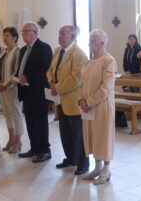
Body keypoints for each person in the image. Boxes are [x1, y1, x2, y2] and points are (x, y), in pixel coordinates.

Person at [46, 25, 89, 175]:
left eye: (63, 34)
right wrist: (51, 82)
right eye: (59, 33)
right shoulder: (58, 51)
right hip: (60, 99)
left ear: (72, 36)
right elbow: (50, 70)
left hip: (73, 100)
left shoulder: (79, 55)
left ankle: (83, 163)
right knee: (65, 132)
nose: (60, 36)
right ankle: (70, 158)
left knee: (78, 134)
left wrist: (57, 87)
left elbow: (75, 79)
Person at [79, 29, 116, 185]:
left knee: (103, 135)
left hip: (102, 105)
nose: (90, 43)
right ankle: (98, 167)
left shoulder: (108, 60)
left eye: (93, 40)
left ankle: (107, 169)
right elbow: (82, 84)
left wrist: (89, 101)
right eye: (90, 40)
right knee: (92, 135)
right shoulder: (90, 61)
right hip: (88, 106)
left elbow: (106, 87)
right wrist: (81, 100)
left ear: (102, 42)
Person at [15, 22, 53, 163]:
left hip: (39, 92)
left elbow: (45, 69)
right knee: (30, 121)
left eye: (26, 31)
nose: (23, 34)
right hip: (26, 90)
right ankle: (34, 148)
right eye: (22, 31)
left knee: (40, 122)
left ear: (35, 33)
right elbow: (21, 68)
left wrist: (28, 77)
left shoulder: (44, 48)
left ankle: (44, 150)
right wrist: (16, 77)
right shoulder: (24, 49)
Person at [0, 27, 24, 153]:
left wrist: (5, 85)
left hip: (12, 88)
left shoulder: (18, 51)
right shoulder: (3, 51)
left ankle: (18, 141)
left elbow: (16, 71)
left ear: (14, 37)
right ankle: (11, 138)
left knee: (16, 114)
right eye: (4, 35)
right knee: (7, 114)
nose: (4, 38)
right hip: (1, 88)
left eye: (7, 35)